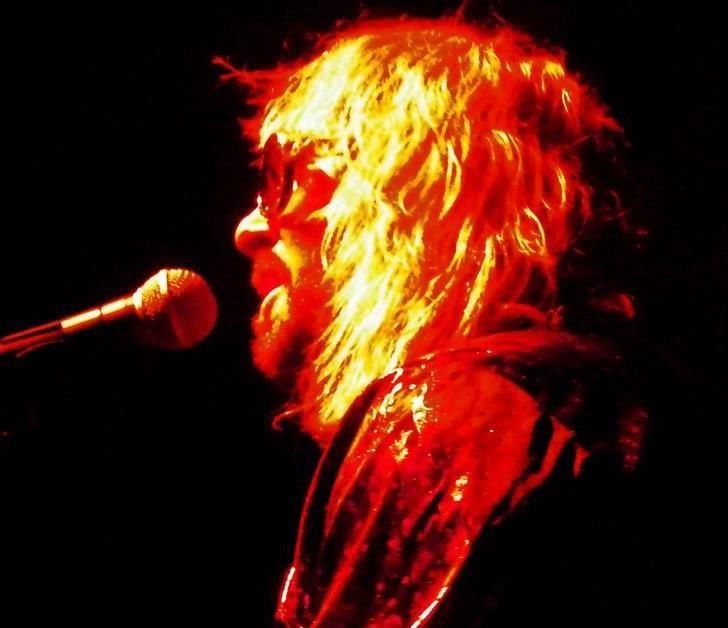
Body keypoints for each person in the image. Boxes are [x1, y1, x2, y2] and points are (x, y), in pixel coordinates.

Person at [226, 18, 652, 626]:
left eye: (285, 175)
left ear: (410, 189)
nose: (248, 229)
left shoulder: (452, 411)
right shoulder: (621, 395)